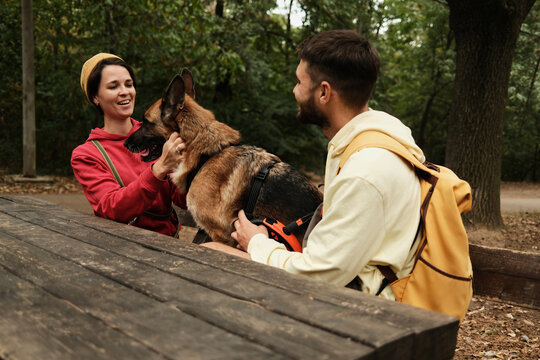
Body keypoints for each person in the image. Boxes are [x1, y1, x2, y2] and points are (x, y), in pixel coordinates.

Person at [230, 30, 425, 300]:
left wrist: (257, 242)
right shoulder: (371, 138)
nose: (294, 90)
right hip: (353, 281)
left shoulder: (366, 170)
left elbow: (319, 276)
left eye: (299, 82)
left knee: (212, 257)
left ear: (324, 92)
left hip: (367, 308)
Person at [72, 53, 187, 237]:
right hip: (123, 251)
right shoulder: (87, 155)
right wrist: (159, 169)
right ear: (95, 97)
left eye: (129, 84)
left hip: (171, 245)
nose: (125, 91)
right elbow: (112, 209)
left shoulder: (157, 134)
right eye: (113, 86)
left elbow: (183, 200)